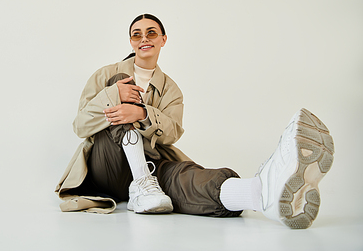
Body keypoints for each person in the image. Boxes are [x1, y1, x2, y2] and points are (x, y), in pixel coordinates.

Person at [55, 14, 335, 229]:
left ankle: (261, 193)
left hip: (152, 163)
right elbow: (80, 126)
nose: (144, 38)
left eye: (151, 32)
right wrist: (115, 95)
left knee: (187, 176)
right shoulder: (106, 74)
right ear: (130, 42)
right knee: (121, 84)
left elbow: (172, 133)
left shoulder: (171, 90)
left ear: (163, 39)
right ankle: (141, 182)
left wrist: (142, 115)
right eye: (136, 34)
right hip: (108, 165)